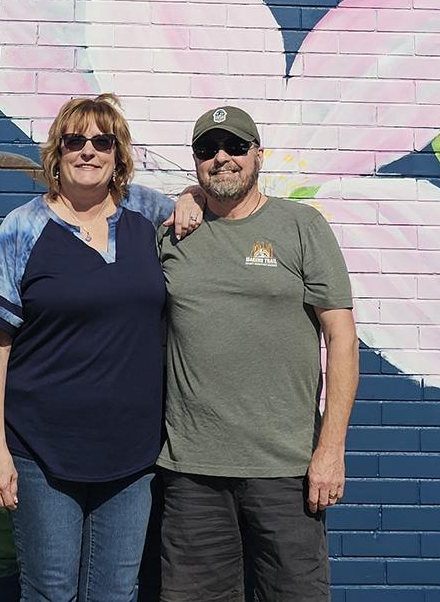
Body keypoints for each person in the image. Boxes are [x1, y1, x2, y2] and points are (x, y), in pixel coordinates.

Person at [0, 93, 186, 602]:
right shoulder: (23, 227)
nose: (88, 151)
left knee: (114, 593)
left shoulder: (145, 213)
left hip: (131, 456)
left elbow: (194, 207)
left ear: (118, 154)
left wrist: (194, 198)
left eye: (102, 141)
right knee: (51, 593)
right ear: (57, 151)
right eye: (75, 140)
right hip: (41, 451)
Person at [157, 105, 359, 602]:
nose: (221, 158)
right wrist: (185, 197)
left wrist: (330, 450)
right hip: (191, 471)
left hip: (286, 469)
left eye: (235, 147)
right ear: (195, 161)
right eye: (208, 150)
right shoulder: (170, 234)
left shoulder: (301, 226)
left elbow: (343, 339)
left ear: (258, 156)